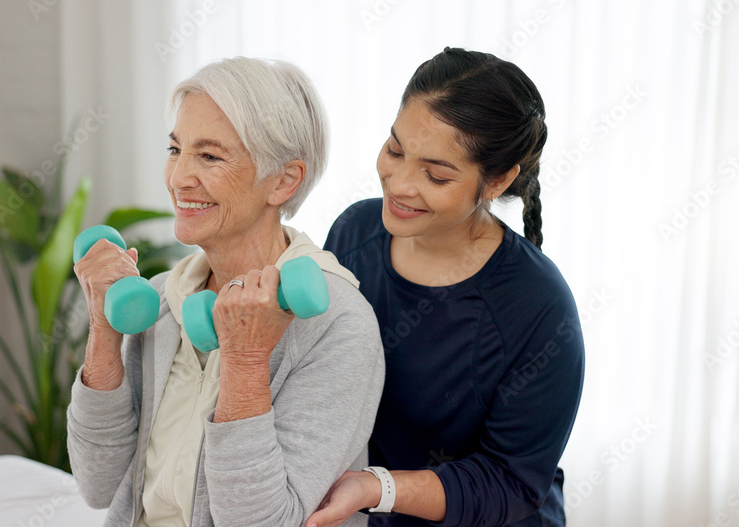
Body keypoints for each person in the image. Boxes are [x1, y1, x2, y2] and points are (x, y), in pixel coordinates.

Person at [67, 57, 385, 527]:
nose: (178, 178)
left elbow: (261, 522)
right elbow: (98, 484)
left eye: (210, 156)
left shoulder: (338, 324)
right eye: (175, 150)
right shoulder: (161, 300)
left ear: (284, 181)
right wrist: (102, 327)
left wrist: (246, 361)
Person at [308, 48, 585, 527]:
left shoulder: (538, 306)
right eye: (395, 150)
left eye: (435, 174)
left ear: (497, 180)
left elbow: (512, 481)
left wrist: (378, 486)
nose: (399, 184)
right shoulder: (354, 232)